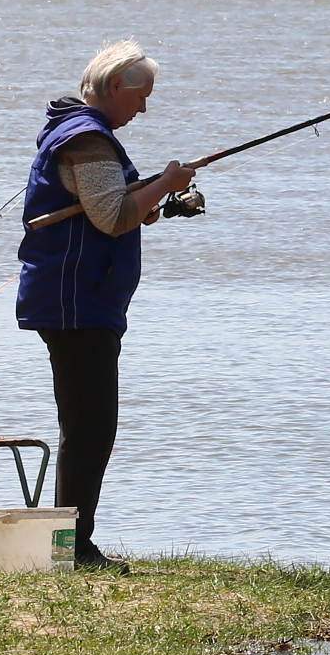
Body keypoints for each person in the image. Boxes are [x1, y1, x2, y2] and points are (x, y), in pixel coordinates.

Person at [14, 41, 196, 572]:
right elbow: (113, 217)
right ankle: (71, 549)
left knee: (89, 425)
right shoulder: (88, 137)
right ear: (116, 86)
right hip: (75, 301)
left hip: (82, 298)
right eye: (141, 96)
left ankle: (69, 545)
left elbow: (109, 209)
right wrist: (167, 182)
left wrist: (153, 200)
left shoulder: (83, 133)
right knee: (90, 427)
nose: (143, 108)